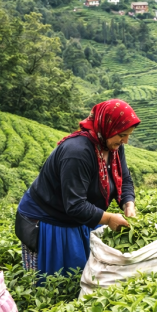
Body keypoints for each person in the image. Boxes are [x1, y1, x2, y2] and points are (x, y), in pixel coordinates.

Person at [16, 100, 139, 277]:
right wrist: (109, 218)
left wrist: (129, 205)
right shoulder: (77, 153)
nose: (125, 140)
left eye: (128, 135)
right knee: (59, 281)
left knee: (85, 276)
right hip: (50, 221)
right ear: (107, 128)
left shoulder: (112, 146)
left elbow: (124, 178)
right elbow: (74, 204)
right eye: (122, 134)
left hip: (78, 217)